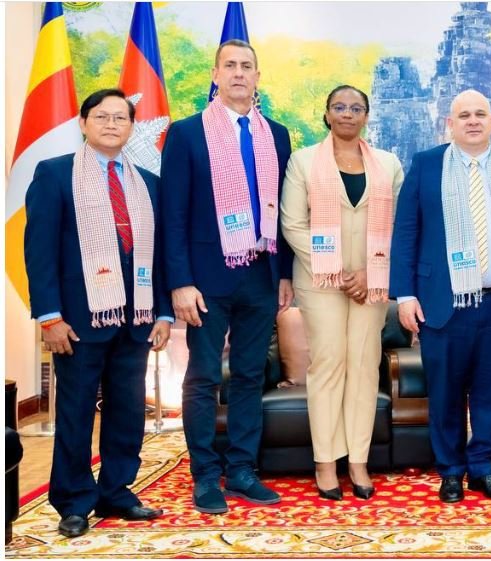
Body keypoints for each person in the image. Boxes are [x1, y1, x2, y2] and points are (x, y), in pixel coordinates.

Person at [25, 89, 172, 537]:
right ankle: (73, 501)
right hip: (78, 320)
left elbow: (160, 255)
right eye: (102, 116)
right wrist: (49, 317)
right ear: (83, 123)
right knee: (75, 412)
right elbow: (40, 250)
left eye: (120, 118)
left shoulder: (148, 183)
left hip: (136, 317)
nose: (111, 124)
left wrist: (163, 312)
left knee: (127, 410)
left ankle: (117, 492)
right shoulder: (55, 174)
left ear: (131, 126)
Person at [160, 39, 294, 514]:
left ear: (258, 77)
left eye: (247, 66)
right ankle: (204, 474)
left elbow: (282, 212)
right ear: (215, 75)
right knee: (201, 377)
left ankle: (241, 470)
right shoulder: (186, 133)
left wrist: (284, 274)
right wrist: (180, 281)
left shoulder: (277, 135)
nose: (239, 73)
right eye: (230, 66)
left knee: (250, 375)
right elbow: (173, 213)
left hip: (260, 273)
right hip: (205, 279)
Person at [389, 89, 491, 503]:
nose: (473, 121)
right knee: (446, 392)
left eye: (480, 114)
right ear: (450, 124)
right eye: (464, 115)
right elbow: (406, 231)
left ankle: (483, 467)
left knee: (490, 393)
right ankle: (451, 470)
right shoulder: (426, 164)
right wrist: (405, 295)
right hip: (443, 301)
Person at [280, 85, 403, 500]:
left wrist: (369, 272)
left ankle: (358, 461)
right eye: (339, 107)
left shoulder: (388, 164)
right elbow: (292, 224)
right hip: (319, 281)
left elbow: (399, 225)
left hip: (373, 279)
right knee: (329, 363)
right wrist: (336, 269)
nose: (347, 113)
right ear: (327, 114)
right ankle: (326, 462)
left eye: (355, 108)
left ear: (366, 116)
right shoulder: (302, 162)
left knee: (365, 366)